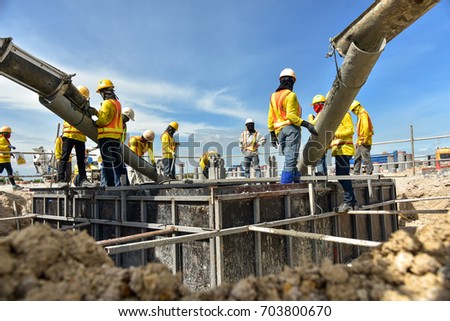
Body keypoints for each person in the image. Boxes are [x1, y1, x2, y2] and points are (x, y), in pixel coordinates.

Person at [267, 68, 318, 184]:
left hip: (279, 131)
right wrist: (306, 124)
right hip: (291, 129)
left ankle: (296, 182)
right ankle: (285, 186)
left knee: (290, 158)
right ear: (293, 81)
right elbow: (291, 116)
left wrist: (272, 134)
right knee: (290, 159)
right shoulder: (291, 95)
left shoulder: (273, 96)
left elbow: (270, 117)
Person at [94, 79, 125, 186]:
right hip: (116, 137)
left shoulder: (107, 103)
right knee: (118, 163)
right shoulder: (118, 103)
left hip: (105, 136)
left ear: (104, 92)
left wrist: (96, 122)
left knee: (107, 163)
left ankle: (110, 185)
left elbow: (103, 120)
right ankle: (124, 184)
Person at [331, 109, 357, 212]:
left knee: (343, 176)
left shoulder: (344, 114)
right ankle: (352, 201)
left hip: (344, 150)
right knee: (341, 176)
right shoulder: (336, 116)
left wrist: (336, 133)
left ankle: (349, 202)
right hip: (340, 150)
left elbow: (350, 130)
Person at [350, 100, 374, 175]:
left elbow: (366, 128)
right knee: (357, 157)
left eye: (353, 110)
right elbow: (360, 132)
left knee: (366, 158)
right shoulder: (360, 115)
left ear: (356, 107)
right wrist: (357, 142)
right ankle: (356, 173)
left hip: (364, 141)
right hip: (360, 141)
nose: (353, 112)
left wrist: (365, 139)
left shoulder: (363, 114)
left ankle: (369, 173)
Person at [308, 94, 328, 175]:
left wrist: (310, 118)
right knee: (322, 159)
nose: (314, 107)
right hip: (323, 140)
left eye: (314, 105)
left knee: (320, 160)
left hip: (320, 141)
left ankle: (322, 180)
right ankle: (324, 179)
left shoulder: (321, 113)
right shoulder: (324, 112)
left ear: (319, 104)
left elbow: (313, 126)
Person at [0, 126, 23, 190]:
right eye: (9, 133)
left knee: (10, 172)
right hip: (2, 159)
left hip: (5, 159)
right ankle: (14, 185)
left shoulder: (4, 138)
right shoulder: (1, 139)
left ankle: (14, 185)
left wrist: (10, 153)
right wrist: (8, 146)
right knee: (9, 172)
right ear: (5, 133)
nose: (10, 135)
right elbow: (1, 147)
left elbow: (4, 149)